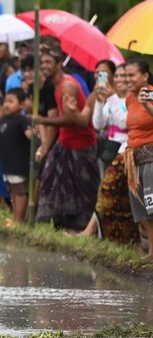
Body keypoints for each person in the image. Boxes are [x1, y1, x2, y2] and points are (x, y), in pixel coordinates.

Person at [34, 48, 99, 231]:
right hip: (64, 143)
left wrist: (42, 120)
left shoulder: (67, 85)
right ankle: (58, 224)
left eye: (48, 62)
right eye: (42, 63)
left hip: (81, 145)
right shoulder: (55, 85)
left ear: (58, 63)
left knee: (84, 189)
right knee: (51, 181)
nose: (44, 66)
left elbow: (71, 119)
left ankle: (86, 229)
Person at [78, 62, 139, 245]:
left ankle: (90, 231)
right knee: (114, 195)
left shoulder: (131, 99)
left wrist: (111, 99)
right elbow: (97, 124)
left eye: (124, 76)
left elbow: (124, 123)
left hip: (126, 151)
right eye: (118, 76)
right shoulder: (111, 98)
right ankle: (113, 238)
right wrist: (99, 100)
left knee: (110, 192)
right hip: (109, 149)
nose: (120, 80)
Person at [123, 59, 153, 260]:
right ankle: (152, 252)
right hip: (136, 159)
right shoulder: (129, 98)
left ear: (145, 76)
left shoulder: (151, 94)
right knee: (143, 209)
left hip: (151, 159)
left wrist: (146, 105)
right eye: (126, 75)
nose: (127, 79)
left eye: (131, 75)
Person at [0, 89, 33, 225]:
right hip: (7, 163)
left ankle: (19, 220)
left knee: (19, 192)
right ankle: (14, 217)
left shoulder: (23, 120)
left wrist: (31, 133)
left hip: (18, 164)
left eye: (11, 101)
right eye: (6, 101)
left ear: (22, 105)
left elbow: (28, 133)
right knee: (12, 191)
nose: (6, 104)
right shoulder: (5, 119)